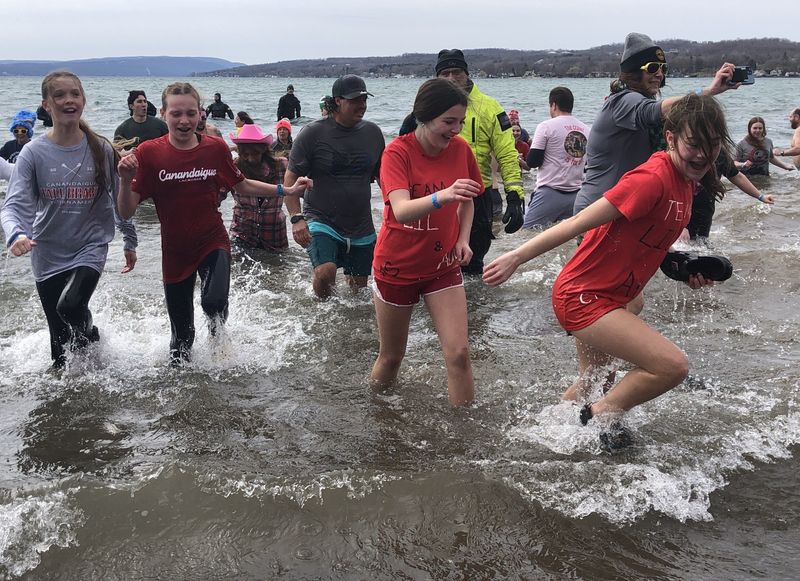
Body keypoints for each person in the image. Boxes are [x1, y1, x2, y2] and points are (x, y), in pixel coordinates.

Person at [484, 93, 729, 449]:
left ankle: (543, 436)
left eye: (712, 145)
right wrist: (515, 258)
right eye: (694, 144)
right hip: (583, 297)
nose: (703, 155)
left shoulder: (687, 181)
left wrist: (681, 269)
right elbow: (577, 222)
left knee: (594, 379)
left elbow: (653, 239)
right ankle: (599, 416)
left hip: (617, 297)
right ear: (672, 137)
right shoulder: (651, 178)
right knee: (672, 366)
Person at [117, 82, 308, 364]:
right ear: (165, 114)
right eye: (176, 114)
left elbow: (240, 185)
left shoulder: (215, 148)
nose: (184, 121)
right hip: (175, 251)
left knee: (213, 304)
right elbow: (126, 210)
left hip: (212, 241)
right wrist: (123, 179)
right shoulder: (149, 153)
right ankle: (182, 395)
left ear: (199, 114)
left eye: (191, 113)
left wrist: (286, 191)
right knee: (181, 340)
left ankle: (221, 354)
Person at [1, 71, 137, 369]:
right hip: (47, 251)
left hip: (90, 246)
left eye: (74, 94)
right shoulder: (33, 153)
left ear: (83, 101)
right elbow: (12, 206)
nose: (68, 100)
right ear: (46, 105)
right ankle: (68, 400)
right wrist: (16, 235)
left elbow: (120, 199)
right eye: (59, 95)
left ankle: (92, 337)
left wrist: (130, 240)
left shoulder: (101, 148)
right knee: (59, 348)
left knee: (71, 306)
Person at [371, 78, 481, 406]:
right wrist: (442, 195)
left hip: (442, 265)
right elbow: (402, 210)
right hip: (396, 267)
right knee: (392, 357)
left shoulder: (461, 150)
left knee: (459, 354)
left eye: (461, 122)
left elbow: (468, 199)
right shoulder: (397, 153)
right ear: (425, 117)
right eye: (448, 122)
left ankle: (465, 437)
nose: (456, 130)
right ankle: (376, 413)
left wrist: (463, 239)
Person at [573, 33, 739, 215]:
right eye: (652, 68)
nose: (659, 74)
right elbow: (652, 111)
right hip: (597, 211)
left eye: (663, 68)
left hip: (624, 207)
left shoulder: (638, 101)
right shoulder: (623, 101)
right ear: (634, 72)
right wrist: (709, 91)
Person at [283, 74, 385, 299]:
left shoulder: (373, 133)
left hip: (360, 222)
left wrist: (397, 207)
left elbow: (383, 177)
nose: (362, 105)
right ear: (337, 101)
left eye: (364, 99)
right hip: (321, 217)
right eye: (355, 100)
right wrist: (296, 218)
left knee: (359, 290)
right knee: (325, 271)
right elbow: (290, 180)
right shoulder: (313, 133)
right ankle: (319, 316)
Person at [435, 48, 525, 274]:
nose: (451, 78)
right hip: (437, 196)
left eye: (456, 72)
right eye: (445, 73)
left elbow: (506, 152)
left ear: (466, 73)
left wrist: (514, 195)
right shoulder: (428, 108)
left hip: (477, 195)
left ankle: (475, 308)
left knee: (472, 263)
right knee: (435, 263)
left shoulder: (489, 107)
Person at [522, 87, 589, 229]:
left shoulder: (546, 126)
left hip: (549, 192)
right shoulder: (586, 130)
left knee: (527, 235)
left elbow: (532, 162)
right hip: (577, 194)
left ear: (553, 105)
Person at [685, 149, 774, 244]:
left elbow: (736, 176)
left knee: (699, 246)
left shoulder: (719, 152)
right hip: (681, 211)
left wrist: (760, 196)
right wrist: (682, 226)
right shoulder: (685, 150)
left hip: (704, 211)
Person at [227, 124, 289, 252]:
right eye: (245, 154)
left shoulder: (281, 165)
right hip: (242, 233)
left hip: (274, 234)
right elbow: (217, 195)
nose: (250, 158)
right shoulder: (233, 168)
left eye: (255, 153)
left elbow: (295, 190)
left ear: (263, 150)